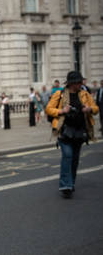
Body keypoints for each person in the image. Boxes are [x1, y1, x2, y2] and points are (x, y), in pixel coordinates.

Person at [45, 71, 98, 199]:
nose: (81, 84)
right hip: (65, 131)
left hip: (80, 131)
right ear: (72, 83)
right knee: (67, 156)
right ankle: (65, 185)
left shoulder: (84, 94)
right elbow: (49, 109)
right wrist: (62, 110)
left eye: (81, 82)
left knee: (74, 159)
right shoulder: (60, 94)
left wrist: (89, 109)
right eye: (79, 82)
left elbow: (96, 109)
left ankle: (71, 183)